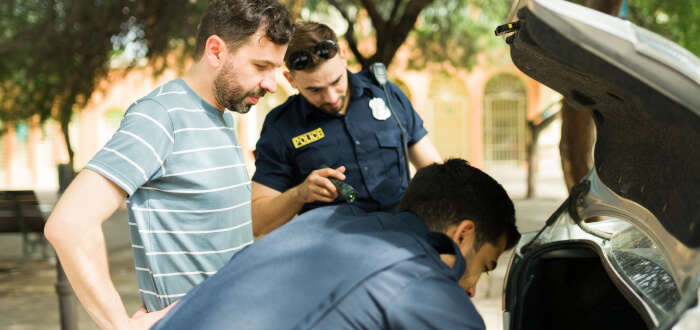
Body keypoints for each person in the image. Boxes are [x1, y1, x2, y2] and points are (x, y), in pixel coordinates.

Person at [43, 1, 294, 328]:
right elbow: (69, 224)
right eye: (261, 66)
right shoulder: (159, 117)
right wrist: (121, 325)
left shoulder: (220, 117)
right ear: (215, 51)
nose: (272, 84)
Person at [152, 158, 521, 329]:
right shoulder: (416, 273)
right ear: (463, 234)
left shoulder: (325, 219)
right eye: (483, 267)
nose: (472, 290)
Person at [251, 22, 443, 236]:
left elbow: (435, 172)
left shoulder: (386, 93)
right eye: (315, 90)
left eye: (336, 81)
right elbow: (257, 222)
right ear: (291, 79)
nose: (331, 97)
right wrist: (299, 194)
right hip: (337, 258)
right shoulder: (281, 127)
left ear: (343, 56)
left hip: (405, 240)